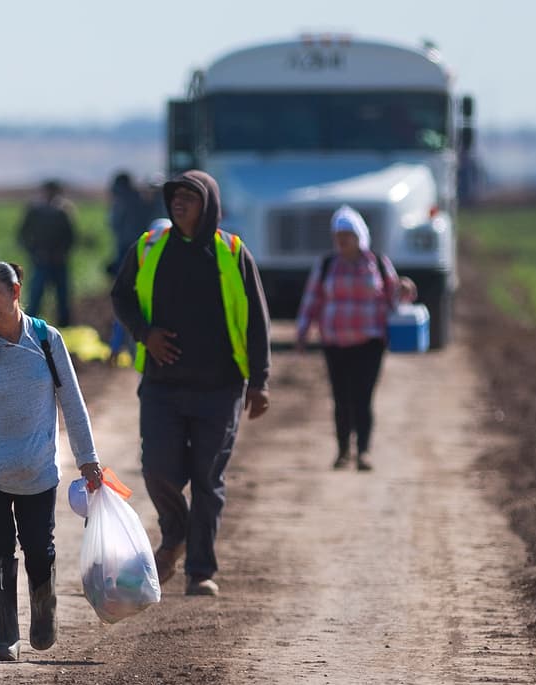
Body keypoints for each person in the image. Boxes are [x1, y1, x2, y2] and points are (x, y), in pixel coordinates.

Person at [110, 170, 271, 598]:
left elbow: (256, 319)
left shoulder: (232, 253)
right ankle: (175, 534)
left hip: (220, 388)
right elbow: (121, 296)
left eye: (190, 196)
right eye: (175, 195)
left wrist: (260, 380)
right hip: (162, 385)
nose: (179, 202)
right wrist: (145, 334)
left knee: (206, 479)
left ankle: (200, 570)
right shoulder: (148, 247)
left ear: (209, 206)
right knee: (157, 468)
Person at [0, 260, 103, 662]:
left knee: (39, 547)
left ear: (15, 292)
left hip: (38, 468)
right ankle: (5, 634)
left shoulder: (46, 340)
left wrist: (88, 460)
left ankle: (44, 611)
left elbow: (73, 402)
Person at [295, 205, 418, 472]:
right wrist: (302, 331)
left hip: (370, 342)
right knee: (341, 398)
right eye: (338, 235)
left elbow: (394, 297)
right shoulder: (327, 265)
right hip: (334, 342)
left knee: (363, 398)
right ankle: (343, 451)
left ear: (359, 236)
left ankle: (363, 451)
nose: (342, 241)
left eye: (347, 235)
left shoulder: (377, 264)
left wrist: (405, 289)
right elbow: (312, 299)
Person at [106, 172, 160, 365]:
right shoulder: (144, 203)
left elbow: (115, 226)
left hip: (129, 255)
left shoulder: (123, 204)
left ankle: (119, 347)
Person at [17, 179, 78, 327]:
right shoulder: (34, 211)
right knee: (35, 296)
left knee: (62, 298)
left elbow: (71, 237)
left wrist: (62, 253)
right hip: (40, 261)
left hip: (59, 262)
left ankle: (64, 327)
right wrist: (34, 253)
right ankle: (29, 327)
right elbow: (22, 235)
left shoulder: (64, 212)